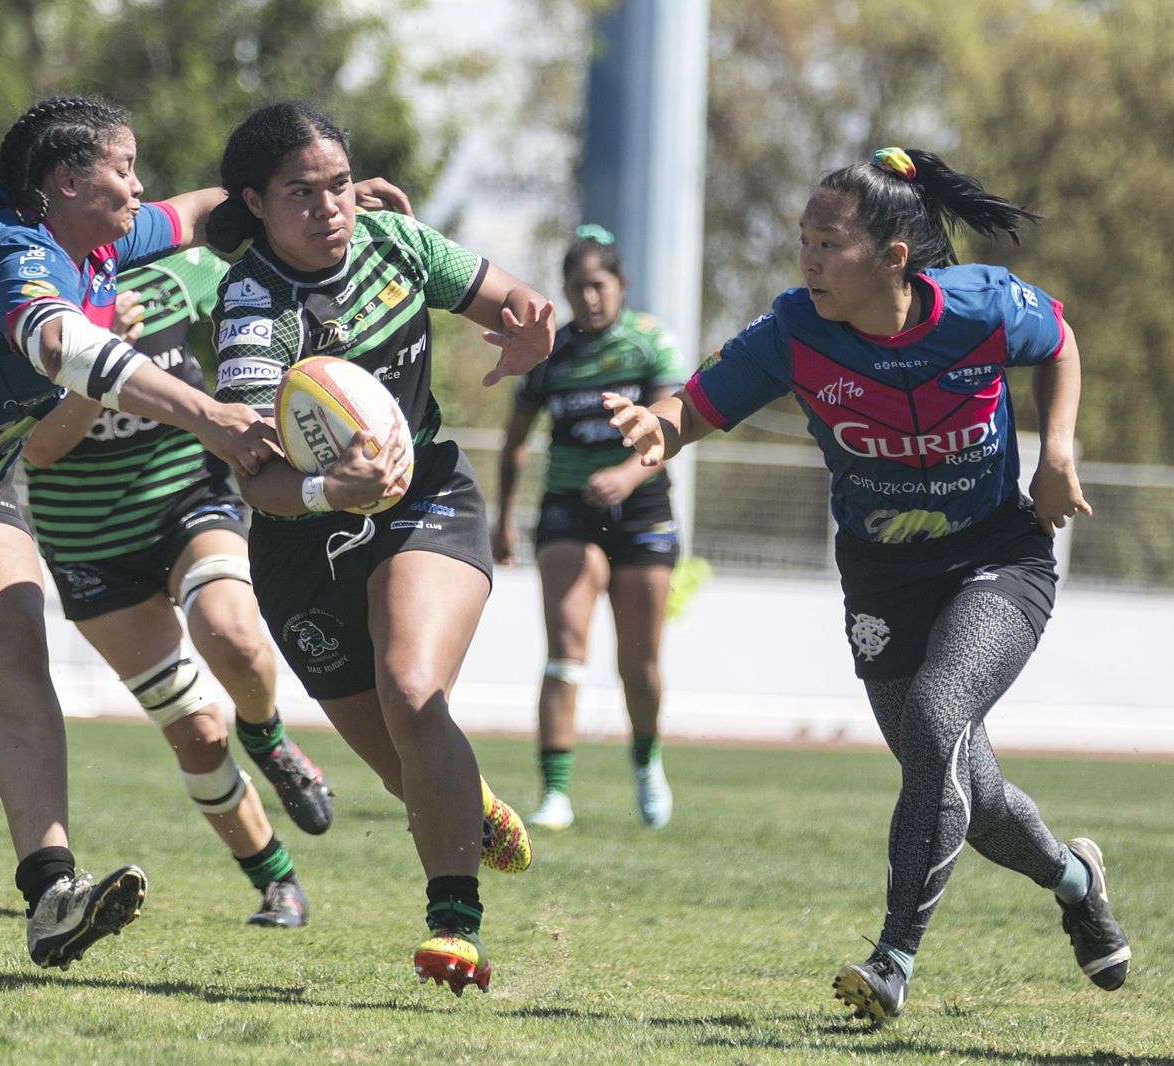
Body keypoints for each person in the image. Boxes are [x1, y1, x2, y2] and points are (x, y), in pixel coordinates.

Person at [0, 95, 402, 969]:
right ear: (65, 181)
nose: (137, 189)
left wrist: (314, 201)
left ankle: (50, 893)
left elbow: (206, 212)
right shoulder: (9, 258)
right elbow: (68, 352)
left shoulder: (104, 241)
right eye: (123, 170)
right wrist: (209, 414)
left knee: (17, 652)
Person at [605, 147, 1131, 1020]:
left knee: (934, 724)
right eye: (802, 241)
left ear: (894, 256)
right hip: (882, 580)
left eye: (828, 243)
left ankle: (892, 959)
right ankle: (1078, 882)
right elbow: (696, 405)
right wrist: (658, 430)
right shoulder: (793, 333)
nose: (807, 260)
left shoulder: (982, 306)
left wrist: (1058, 449)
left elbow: (1061, 337)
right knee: (968, 787)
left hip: (998, 560)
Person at [204, 100, 552, 997]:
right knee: (410, 773)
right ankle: (471, 805)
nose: (329, 209)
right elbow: (255, 477)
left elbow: (512, 297)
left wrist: (530, 332)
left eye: (339, 187)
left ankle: (454, 927)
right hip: (298, 545)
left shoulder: (398, 243)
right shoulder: (251, 306)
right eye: (301, 194)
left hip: (421, 496)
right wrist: (326, 489)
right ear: (256, 200)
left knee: (412, 689)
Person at [21, 245, 334, 929]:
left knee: (236, 636)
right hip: (88, 543)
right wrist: (99, 367)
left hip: (185, 501)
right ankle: (276, 881)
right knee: (194, 731)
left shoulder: (179, 271)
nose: (131, 195)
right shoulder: (25, 295)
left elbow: (267, 301)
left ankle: (267, 734)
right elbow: (39, 450)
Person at [494, 224, 688, 832]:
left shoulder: (649, 342)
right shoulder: (550, 356)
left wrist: (628, 475)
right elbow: (515, 443)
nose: (590, 298)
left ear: (620, 285)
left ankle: (646, 761)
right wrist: (503, 518)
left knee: (640, 662)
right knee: (565, 648)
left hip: (642, 508)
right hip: (568, 509)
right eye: (578, 288)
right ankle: (555, 793)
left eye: (599, 285)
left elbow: (670, 425)